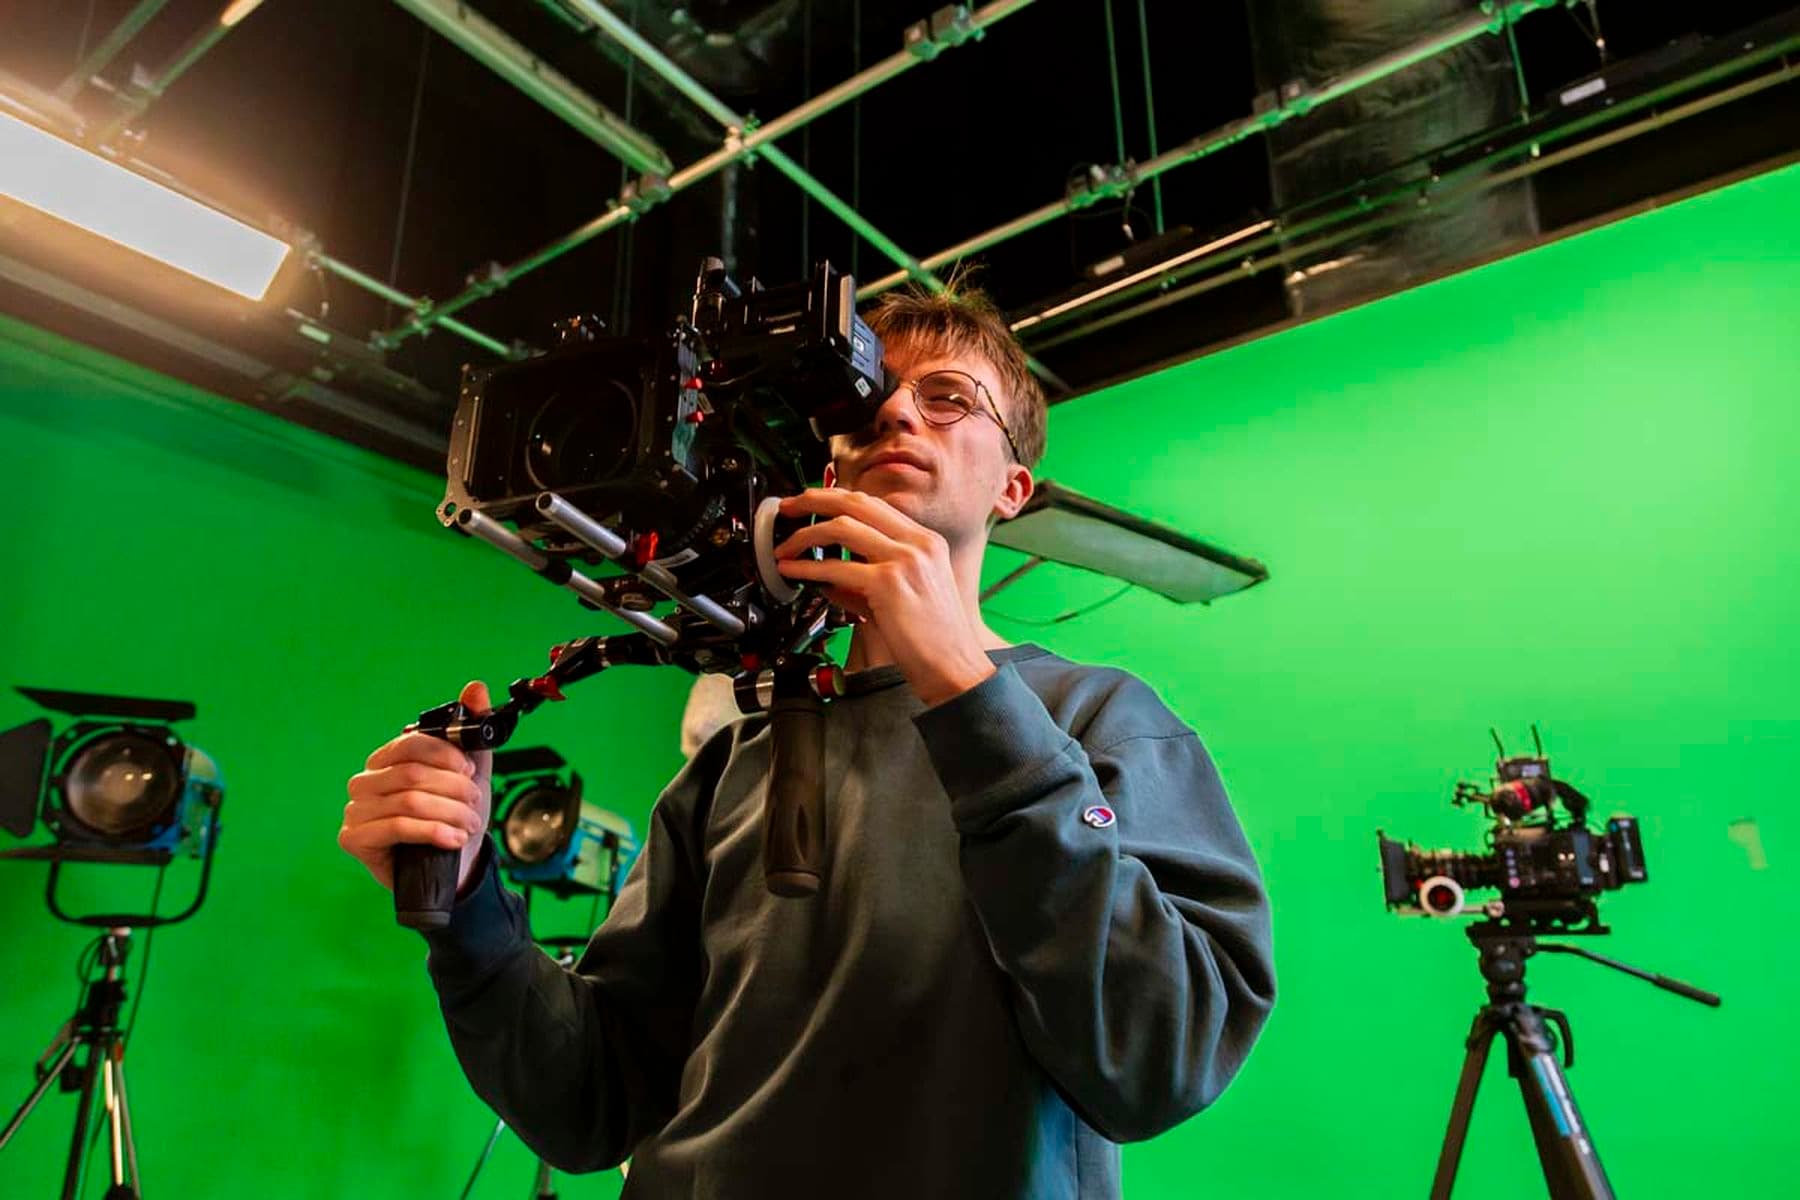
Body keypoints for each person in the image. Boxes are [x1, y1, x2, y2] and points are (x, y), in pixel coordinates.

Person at [340, 280, 1276, 1199]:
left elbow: (1165, 1057)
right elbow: (591, 1101)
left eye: (948, 398)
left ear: (1014, 487)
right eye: (871, 396)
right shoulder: (734, 756)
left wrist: (964, 686)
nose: (899, 411)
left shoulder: (1103, 719)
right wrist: (466, 909)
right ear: (829, 466)